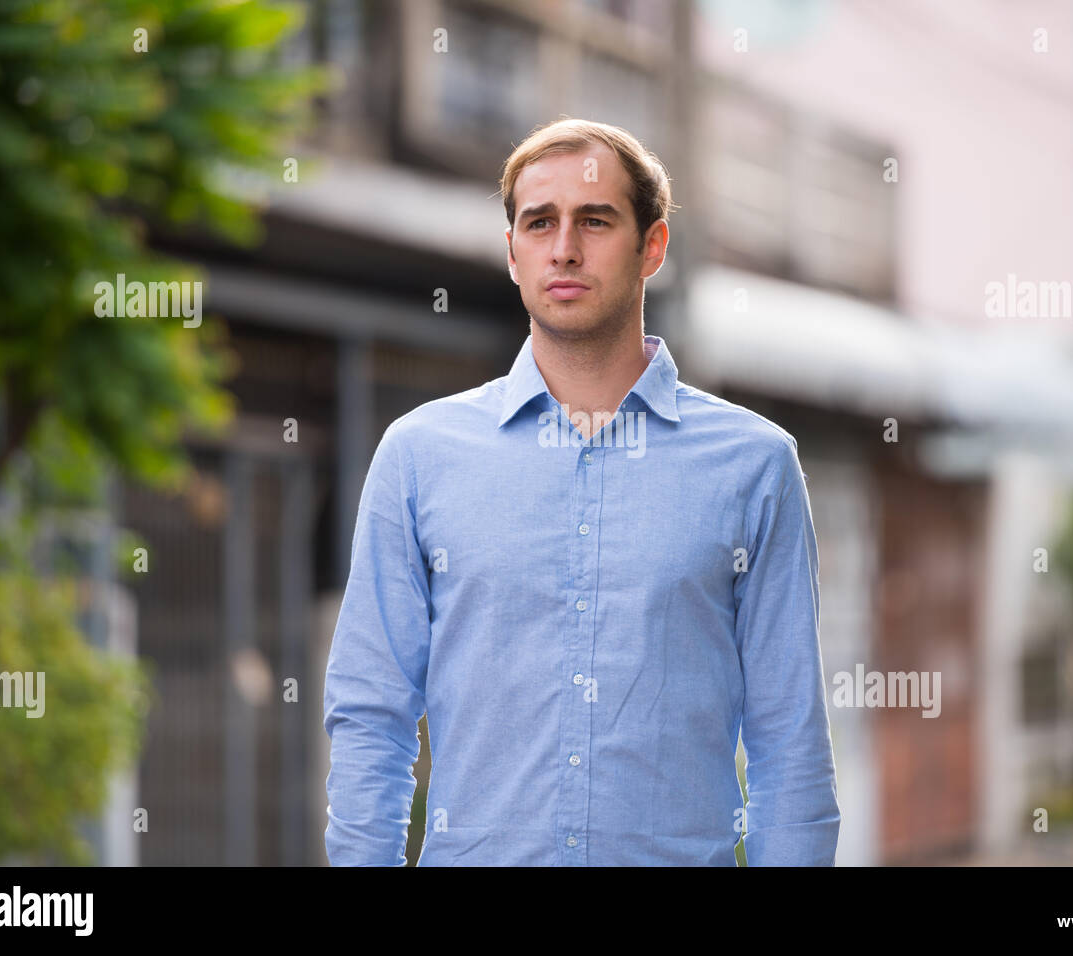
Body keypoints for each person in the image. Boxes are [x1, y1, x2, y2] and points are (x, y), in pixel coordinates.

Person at [323, 117, 840, 866]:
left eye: (595, 220)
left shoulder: (754, 467)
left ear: (651, 247)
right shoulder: (418, 457)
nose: (564, 247)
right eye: (540, 223)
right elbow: (372, 714)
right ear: (512, 254)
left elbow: (788, 738)